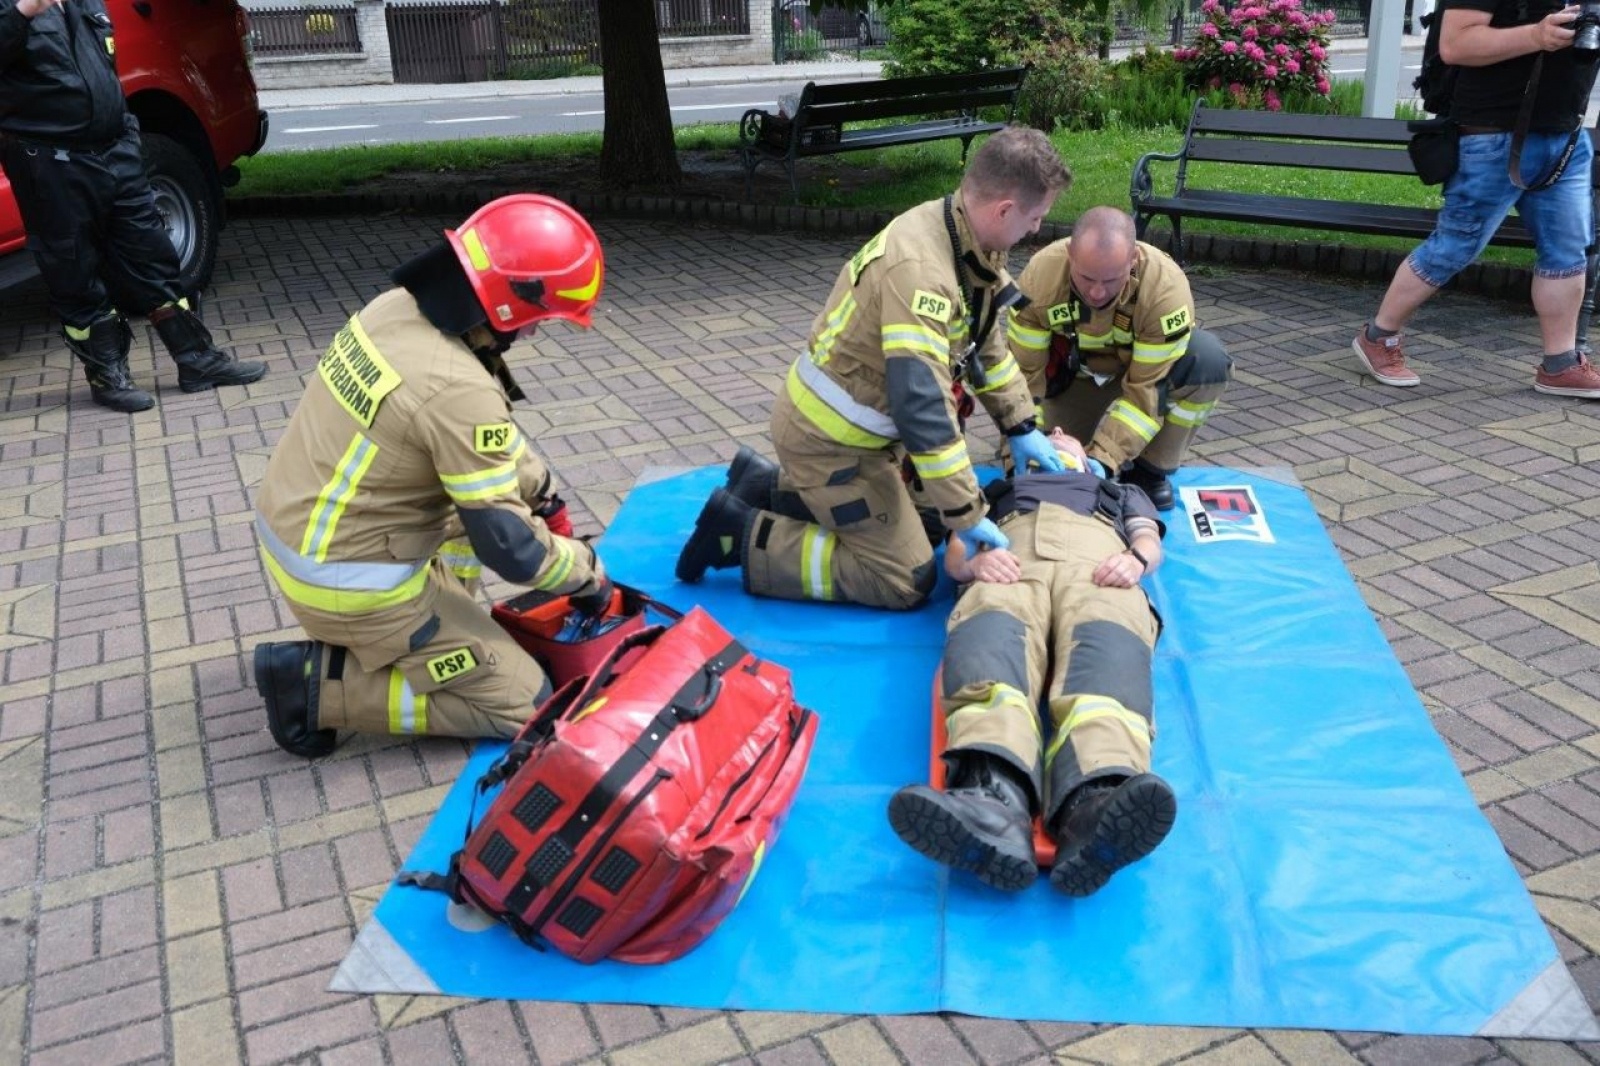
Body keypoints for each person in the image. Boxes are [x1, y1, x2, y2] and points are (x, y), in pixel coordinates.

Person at [251, 194, 612, 758]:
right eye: (544, 319)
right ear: (514, 306)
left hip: (303, 529)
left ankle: (450, 619)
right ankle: (317, 685)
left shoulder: (397, 309)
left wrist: (541, 491)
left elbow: (474, 444)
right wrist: (586, 574)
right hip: (348, 583)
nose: (540, 332)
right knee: (528, 701)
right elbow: (512, 550)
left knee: (474, 509)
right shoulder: (458, 387)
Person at [675, 126, 1074, 609]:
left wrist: (1021, 424)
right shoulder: (922, 273)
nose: (1036, 229)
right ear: (1005, 209)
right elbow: (923, 409)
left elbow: (983, 341)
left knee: (931, 522)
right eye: (1035, 217)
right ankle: (739, 534)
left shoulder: (963, 236)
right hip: (833, 446)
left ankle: (763, 487)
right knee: (906, 579)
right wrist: (968, 516)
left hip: (864, 436)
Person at [888, 430, 1176, 896]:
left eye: (1065, 435)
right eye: (1044, 432)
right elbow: (960, 552)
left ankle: (1096, 805)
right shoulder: (996, 492)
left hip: (1100, 573)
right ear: (1014, 458)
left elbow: (1148, 540)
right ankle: (992, 801)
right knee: (988, 650)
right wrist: (975, 568)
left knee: (1108, 664)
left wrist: (1135, 562)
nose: (1057, 434)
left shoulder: (1119, 492)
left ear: (1088, 457)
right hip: (1010, 566)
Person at [0, 0, 266, 412]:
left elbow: (105, 67)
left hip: (114, 149)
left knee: (153, 252)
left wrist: (126, 132)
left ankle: (197, 360)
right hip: (48, 160)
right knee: (75, 269)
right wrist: (22, 13)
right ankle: (108, 376)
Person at [1352, 0, 1600, 397]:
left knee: (1568, 251)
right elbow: (1456, 44)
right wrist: (1537, 35)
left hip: (1564, 137)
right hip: (1491, 134)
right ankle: (1378, 337)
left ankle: (1560, 364)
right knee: (1454, 246)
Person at [1006, 206, 1233, 512]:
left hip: (1139, 377)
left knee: (1206, 360)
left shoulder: (1164, 290)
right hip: (1075, 377)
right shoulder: (1039, 279)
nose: (1097, 293)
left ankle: (1150, 471)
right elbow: (1022, 375)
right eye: (1086, 278)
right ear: (1071, 254)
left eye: (1111, 280)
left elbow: (1148, 393)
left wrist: (1103, 458)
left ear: (1133, 260)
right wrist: (1024, 439)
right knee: (1046, 463)